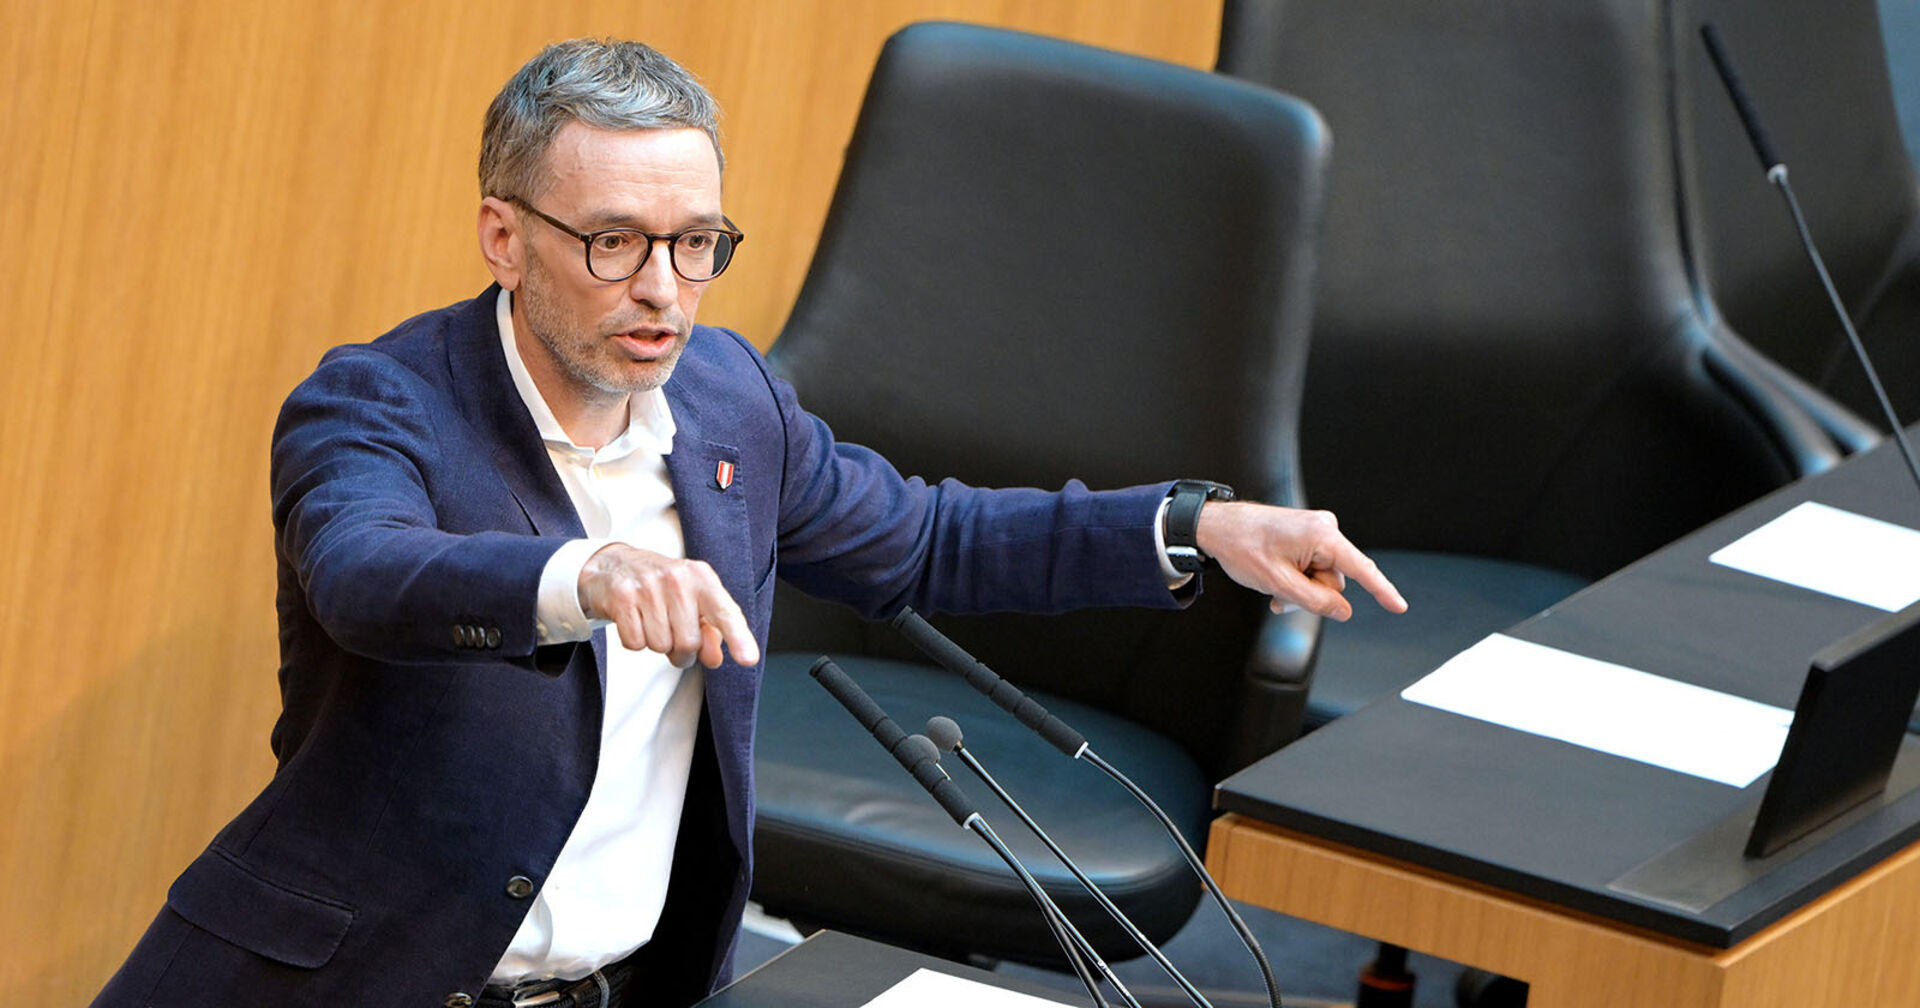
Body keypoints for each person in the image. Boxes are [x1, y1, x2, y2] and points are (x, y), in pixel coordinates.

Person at [95, 37, 1405, 1008]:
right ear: (503, 233)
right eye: (612, 244)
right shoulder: (378, 405)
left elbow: (925, 539)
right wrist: (584, 575)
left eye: (696, 242)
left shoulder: (728, 403)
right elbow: (367, 576)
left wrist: (1195, 525)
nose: (662, 291)